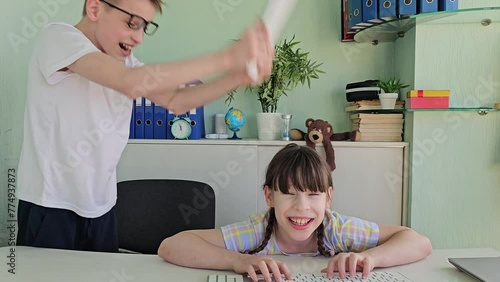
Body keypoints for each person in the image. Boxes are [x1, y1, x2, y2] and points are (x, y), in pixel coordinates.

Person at [16, 0, 273, 252]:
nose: (138, 37)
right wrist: (228, 57)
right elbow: (130, 82)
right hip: (50, 205)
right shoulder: (58, 38)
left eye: (144, 27)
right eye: (132, 23)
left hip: (101, 207)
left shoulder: (127, 64)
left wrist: (237, 77)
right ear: (94, 8)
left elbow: (177, 100)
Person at [158, 144, 432, 282]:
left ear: (328, 199)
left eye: (313, 194)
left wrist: (366, 257)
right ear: (269, 197)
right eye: (289, 193)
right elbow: (171, 247)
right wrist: (238, 261)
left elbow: (419, 242)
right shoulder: (257, 230)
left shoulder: (337, 227)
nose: (302, 207)